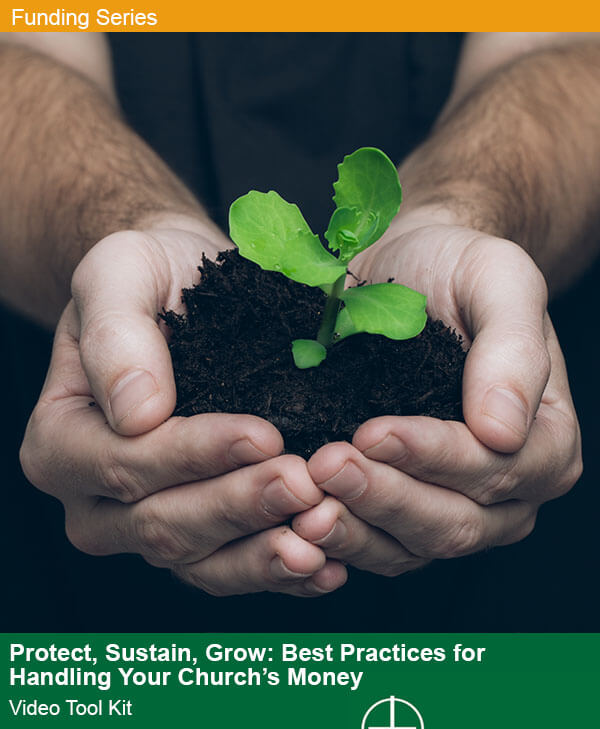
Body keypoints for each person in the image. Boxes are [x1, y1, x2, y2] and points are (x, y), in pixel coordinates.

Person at [2, 32, 595, 606]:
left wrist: (466, 214)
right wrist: (120, 231)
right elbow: (25, 44)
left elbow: (559, 44)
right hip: (90, 585)